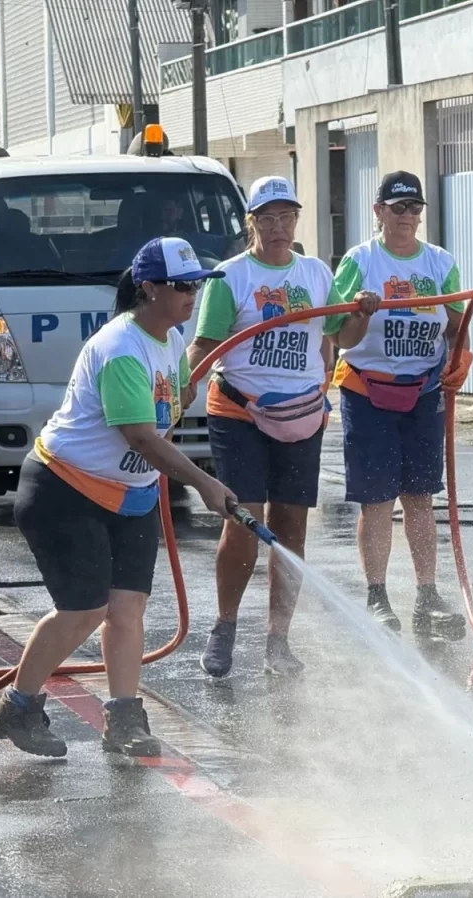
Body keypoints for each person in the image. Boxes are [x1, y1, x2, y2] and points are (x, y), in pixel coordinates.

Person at [0, 237, 236, 758]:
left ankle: (124, 719)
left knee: (128, 609)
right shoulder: (122, 347)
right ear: (148, 289)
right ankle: (19, 706)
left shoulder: (169, 339)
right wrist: (206, 483)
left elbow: (172, 398)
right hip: (65, 489)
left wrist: (185, 388)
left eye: (198, 285)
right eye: (182, 286)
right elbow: (142, 437)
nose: (193, 295)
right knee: (84, 610)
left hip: (131, 495)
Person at [187, 176, 341, 678]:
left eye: (287, 217)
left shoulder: (318, 274)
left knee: (292, 525)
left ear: (297, 220)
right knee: (245, 520)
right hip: (240, 413)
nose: (279, 227)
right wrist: (178, 388)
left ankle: (279, 640)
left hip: (301, 415)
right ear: (251, 222)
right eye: (268, 218)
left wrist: (361, 309)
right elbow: (204, 344)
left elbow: (343, 335)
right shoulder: (229, 277)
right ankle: (225, 626)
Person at [324, 170, 473, 639]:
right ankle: (377, 595)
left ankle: (427, 594)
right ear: (379, 212)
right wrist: (362, 314)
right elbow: (338, 335)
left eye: (414, 208)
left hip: (423, 391)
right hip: (369, 391)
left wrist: (461, 358)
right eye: (397, 208)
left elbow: (455, 326)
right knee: (376, 498)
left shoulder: (439, 262)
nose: (406, 216)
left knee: (419, 497)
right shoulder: (360, 261)